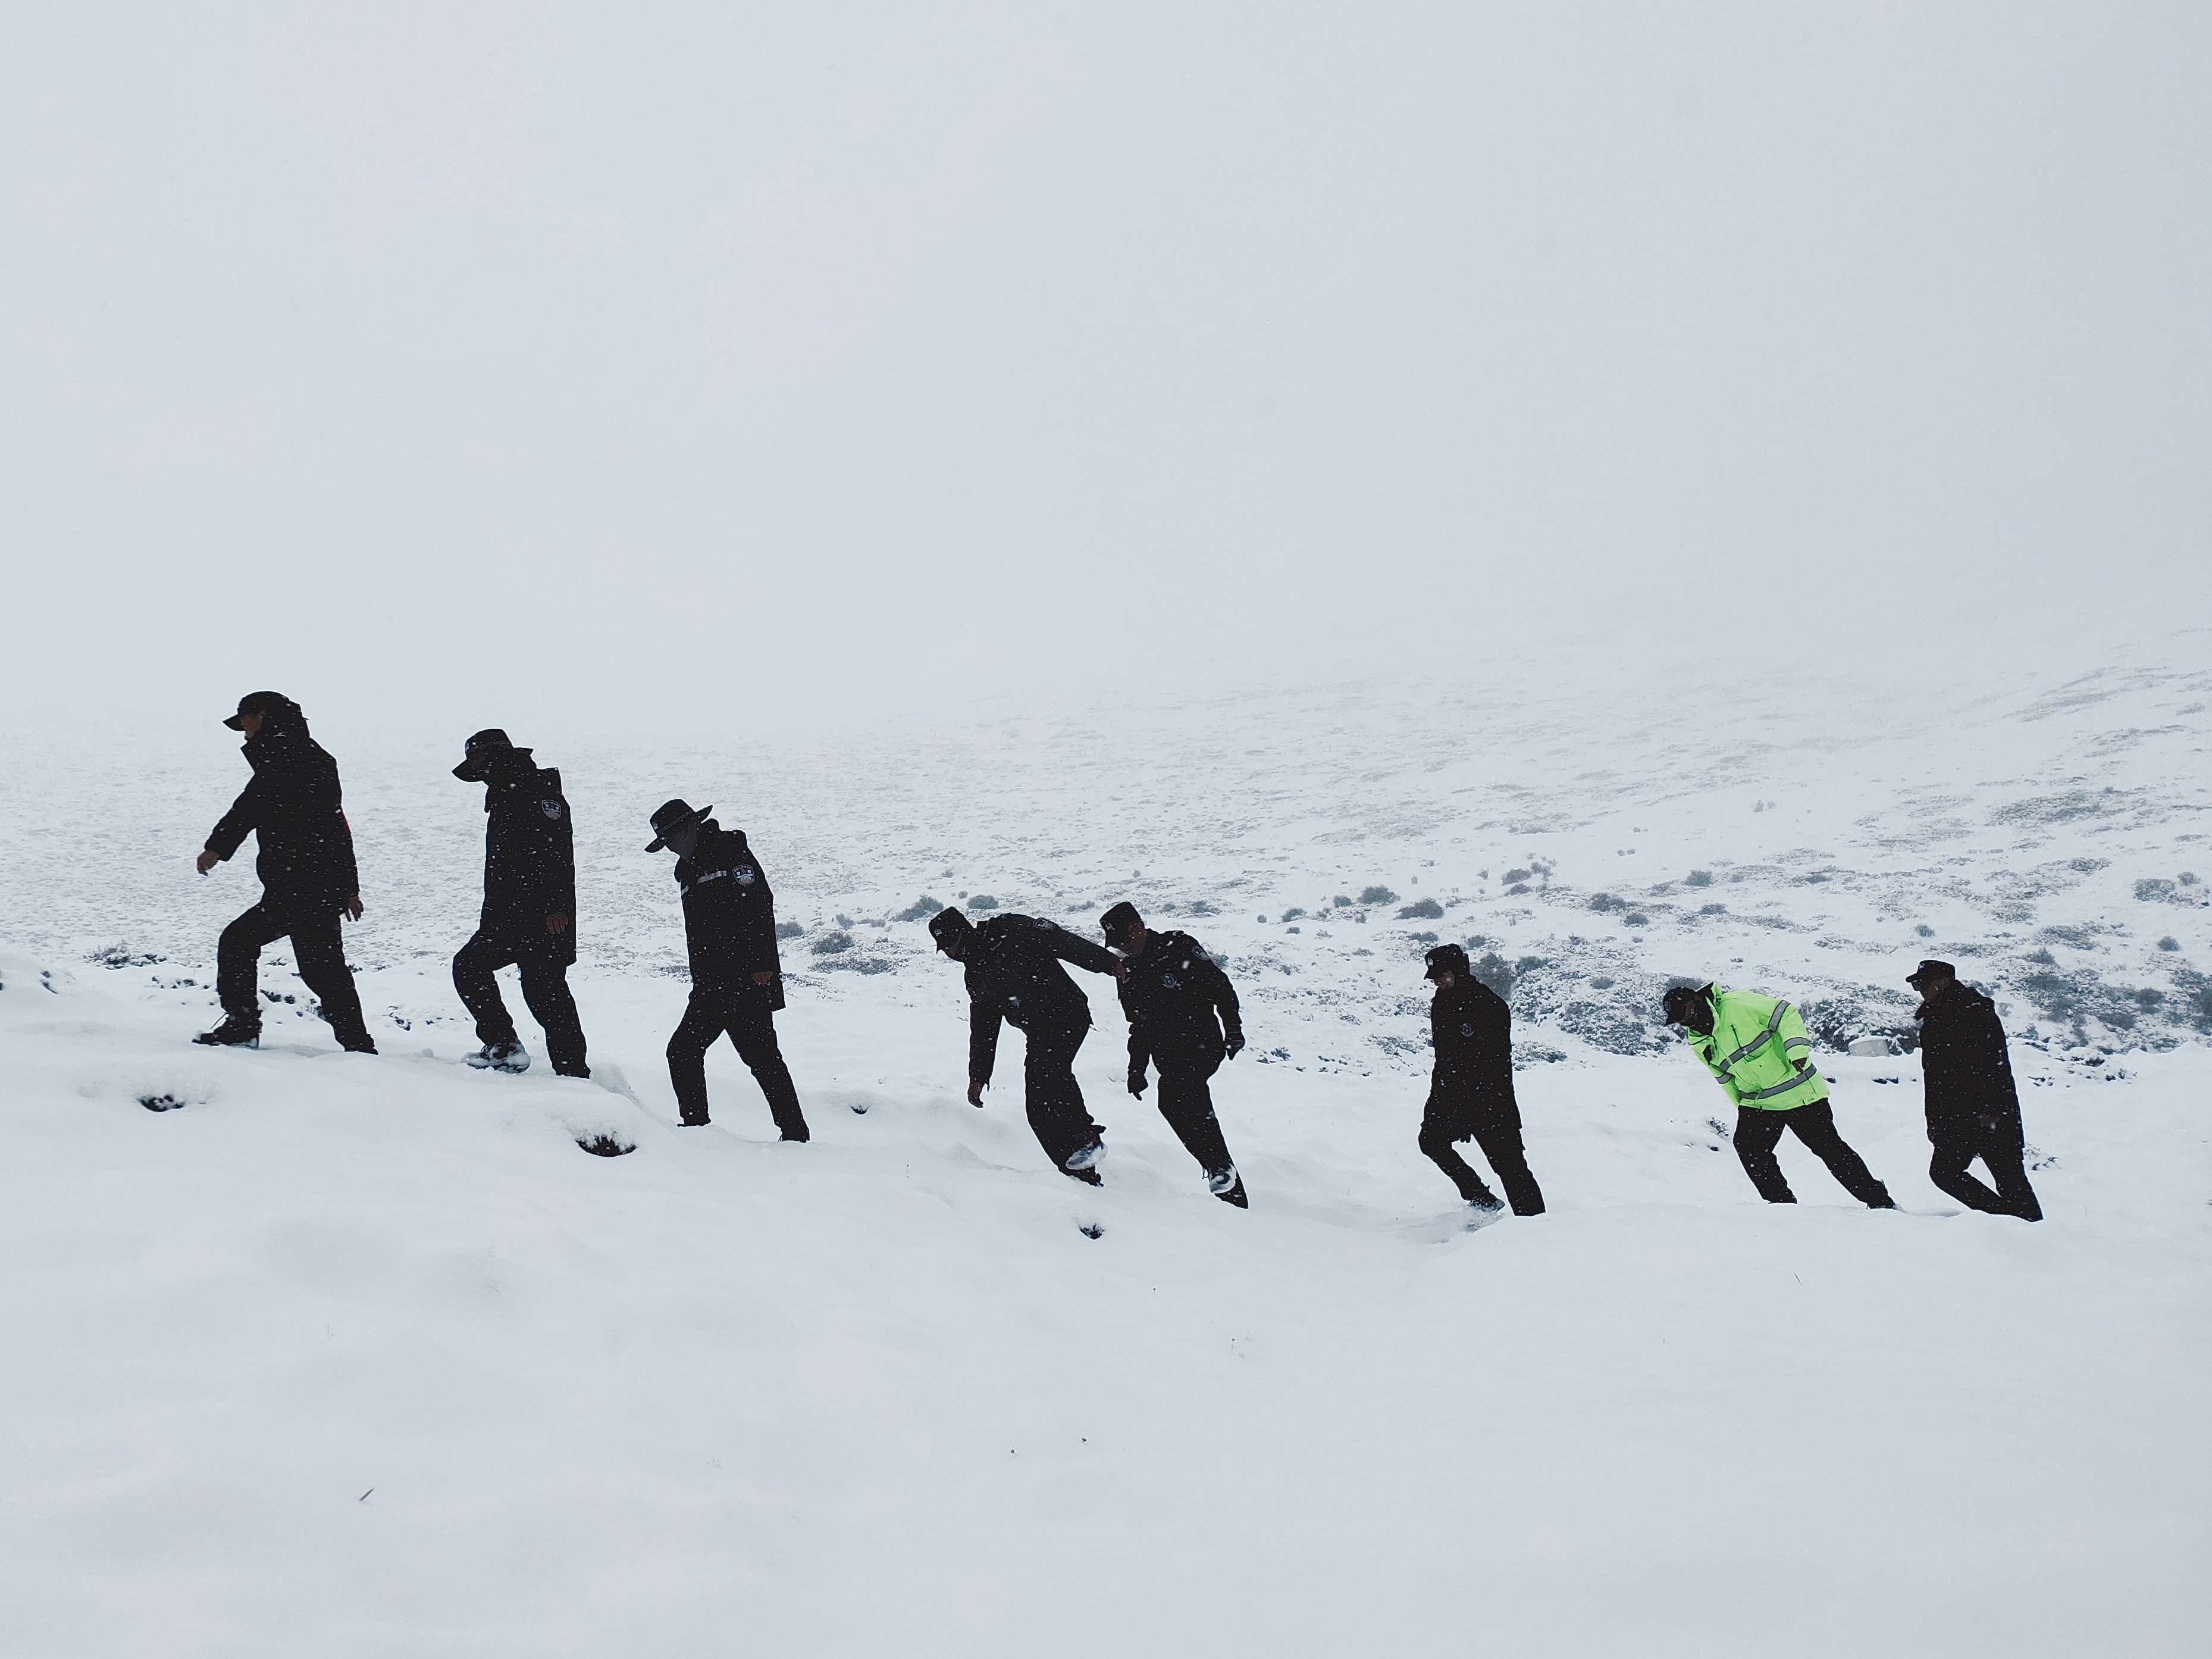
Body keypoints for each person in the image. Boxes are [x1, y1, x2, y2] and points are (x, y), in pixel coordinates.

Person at [192, 691, 375, 1054]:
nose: (241, 729)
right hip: (305, 886)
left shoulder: (288, 756)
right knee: (320, 968)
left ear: (261, 717)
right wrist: (348, 887)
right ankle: (357, 1044)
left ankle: (244, 1026)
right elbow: (337, 826)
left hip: (301, 886)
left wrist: (217, 847)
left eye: (243, 720)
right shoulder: (309, 756)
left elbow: (251, 805)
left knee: (245, 945)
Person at [649, 798, 807, 1140]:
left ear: (691, 827)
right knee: (683, 1051)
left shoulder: (731, 853)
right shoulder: (688, 872)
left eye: (673, 839)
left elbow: (760, 904)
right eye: (666, 844)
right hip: (710, 985)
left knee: (763, 1059)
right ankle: (697, 1129)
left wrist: (763, 964)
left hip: (745, 981)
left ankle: (795, 1134)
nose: (671, 848)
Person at [929, 906, 1120, 1184]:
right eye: (943, 948)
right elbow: (983, 1029)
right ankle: (1080, 1170)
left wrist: (1106, 963)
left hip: (1067, 1012)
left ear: (964, 932)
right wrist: (979, 1076)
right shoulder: (976, 975)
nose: (949, 953)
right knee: (1039, 1107)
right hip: (1039, 1031)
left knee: (1050, 1078)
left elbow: (1062, 943)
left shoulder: (1009, 929)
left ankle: (1085, 1141)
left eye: (951, 944)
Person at [1662, 982, 1893, 1208]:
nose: (1687, 1021)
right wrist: (1741, 1106)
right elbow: (1722, 1076)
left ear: (1697, 1000)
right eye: (1680, 1020)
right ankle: (1783, 1207)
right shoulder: (1697, 1038)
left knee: (1830, 1150)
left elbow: (1786, 1013)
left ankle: (1879, 1201)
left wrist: (1797, 1050)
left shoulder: (1738, 1004)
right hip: (1759, 1102)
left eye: (1688, 1013)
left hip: (1799, 1092)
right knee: (1748, 1147)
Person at [449, 729, 588, 1077]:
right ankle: (508, 1047)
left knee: (544, 993)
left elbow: (557, 851)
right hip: (509, 915)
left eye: (479, 761)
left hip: (538, 917)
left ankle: (572, 1073)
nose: (477, 772)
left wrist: (555, 906)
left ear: (496, 758)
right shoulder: (506, 794)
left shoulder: (537, 792)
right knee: (476, 969)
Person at [1102, 902, 1248, 1207]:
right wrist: (1136, 1069)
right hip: (1166, 1054)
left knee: (1181, 1095)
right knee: (1172, 1105)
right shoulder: (1126, 972)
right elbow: (1138, 1026)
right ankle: (1223, 1176)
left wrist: (1233, 1029)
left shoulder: (1178, 946)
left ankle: (1220, 1168)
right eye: (1118, 948)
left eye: (1125, 943)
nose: (1124, 951)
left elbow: (1220, 988)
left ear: (1138, 928)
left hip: (1201, 1043)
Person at [1908, 959, 2042, 1220]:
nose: (1921, 991)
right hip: (1954, 1115)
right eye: (1918, 985)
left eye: (1924, 984)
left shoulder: (1975, 1012)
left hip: (1989, 1114)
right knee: (1945, 1173)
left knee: (2010, 1179)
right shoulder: (1933, 1019)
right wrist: (1935, 1121)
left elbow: (1994, 1064)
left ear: (1944, 983)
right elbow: (1935, 1078)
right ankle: (2007, 1221)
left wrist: (1991, 1109)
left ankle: (2031, 1231)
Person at [1418, 944, 1544, 1214]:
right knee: (1430, 1141)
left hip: (1491, 1103)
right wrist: (1437, 1101)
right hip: (1449, 1095)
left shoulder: (1489, 1005)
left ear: (1460, 971)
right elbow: (1445, 1058)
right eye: (1435, 977)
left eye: (1444, 975)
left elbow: (1494, 1067)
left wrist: (1468, 1108)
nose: (1439, 981)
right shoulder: (1441, 1002)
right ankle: (1481, 1200)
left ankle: (1535, 1226)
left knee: (1510, 1168)